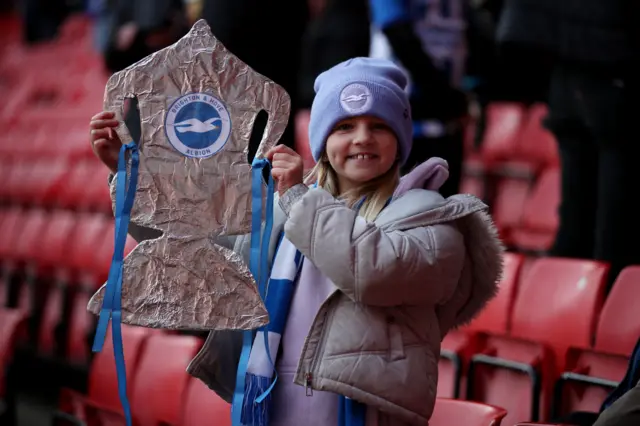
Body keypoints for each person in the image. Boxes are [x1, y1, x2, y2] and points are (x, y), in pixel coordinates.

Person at [89, 58, 503, 425]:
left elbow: (375, 271)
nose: (362, 138)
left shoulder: (431, 217)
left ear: (400, 140)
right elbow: (201, 253)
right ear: (323, 142)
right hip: (274, 406)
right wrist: (130, 180)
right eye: (344, 127)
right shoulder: (293, 209)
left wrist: (299, 199)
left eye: (379, 126)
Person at [497, 0, 640, 288]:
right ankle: (601, 314)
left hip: (561, 56)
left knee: (578, 214)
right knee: (614, 229)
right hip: (611, 53)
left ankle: (560, 313)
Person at [368, 0, 469, 197]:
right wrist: (443, 94)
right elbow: (395, 30)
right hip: (402, 116)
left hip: (448, 120)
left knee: (444, 213)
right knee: (398, 213)